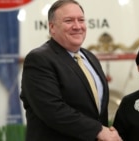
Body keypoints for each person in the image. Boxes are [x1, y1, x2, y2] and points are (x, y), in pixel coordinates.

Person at [20, 0, 122, 141]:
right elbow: (52, 110)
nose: (77, 26)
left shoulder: (90, 57)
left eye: (81, 20)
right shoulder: (38, 60)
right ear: (52, 27)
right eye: (69, 21)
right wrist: (98, 131)